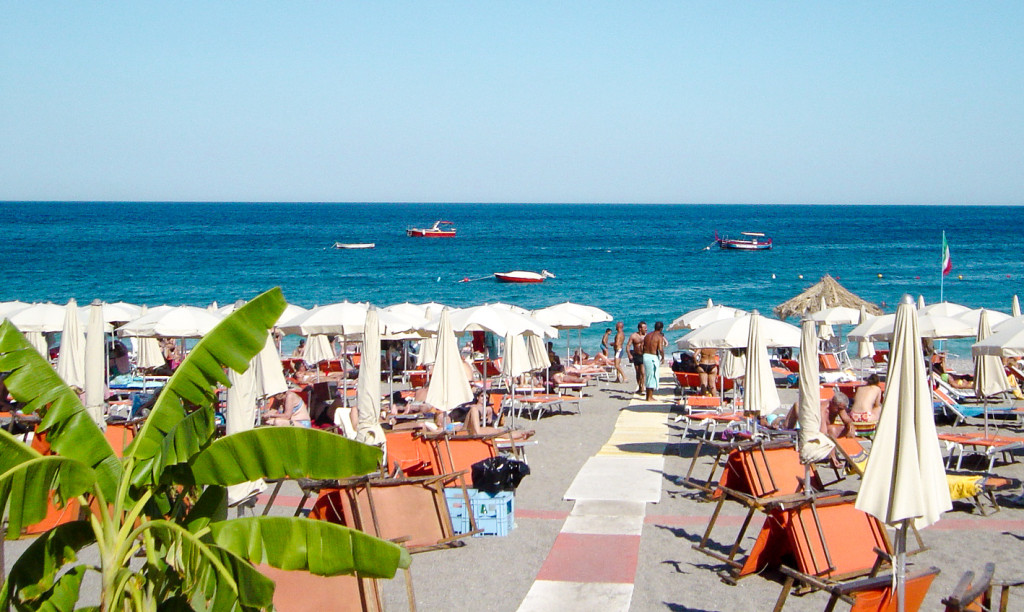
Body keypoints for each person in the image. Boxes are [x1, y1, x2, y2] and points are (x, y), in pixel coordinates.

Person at [642, 321, 668, 402]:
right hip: (652, 357)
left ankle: (649, 396)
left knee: (649, 376)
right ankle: (649, 397)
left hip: (645, 355)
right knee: (652, 376)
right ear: (661, 328)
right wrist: (663, 357)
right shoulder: (659, 336)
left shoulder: (648, 335)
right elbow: (660, 349)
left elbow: (643, 346)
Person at [628, 321, 648, 396]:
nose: (646, 329)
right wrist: (629, 354)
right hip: (636, 355)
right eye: (644, 328)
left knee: (642, 372)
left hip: (643, 355)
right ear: (640, 329)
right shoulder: (633, 336)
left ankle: (642, 387)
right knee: (637, 372)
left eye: (646, 328)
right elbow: (628, 346)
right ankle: (640, 387)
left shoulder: (647, 336)